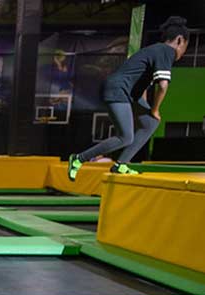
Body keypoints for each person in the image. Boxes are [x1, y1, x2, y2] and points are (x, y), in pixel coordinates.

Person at [68, 16, 189, 180]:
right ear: (180, 40)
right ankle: (78, 158)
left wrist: (146, 110)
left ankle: (121, 165)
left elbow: (144, 83)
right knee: (126, 137)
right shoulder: (166, 51)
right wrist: (154, 109)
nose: (183, 53)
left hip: (130, 92)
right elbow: (162, 85)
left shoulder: (154, 50)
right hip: (119, 89)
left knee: (151, 122)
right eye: (185, 48)